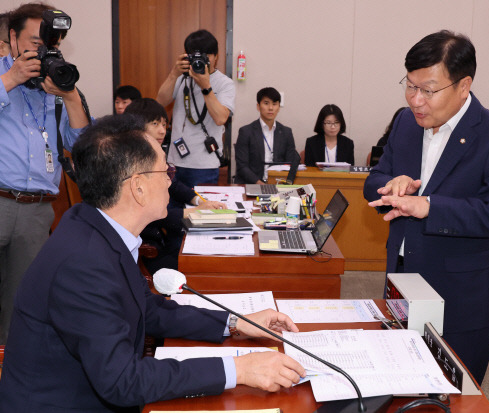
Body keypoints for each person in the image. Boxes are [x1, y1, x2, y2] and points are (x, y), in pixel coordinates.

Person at [0, 115, 306, 412]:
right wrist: (238, 369)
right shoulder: (83, 262)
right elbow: (121, 380)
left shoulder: (97, 227)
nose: (172, 181)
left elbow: (147, 308)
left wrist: (237, 323)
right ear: (138, 187)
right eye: (166, 171)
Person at [363, 30, 489, 384]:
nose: (416, 100)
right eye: (410, 85)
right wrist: (391, 187)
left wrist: (429, 206)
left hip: (461, 296)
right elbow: (376, 177)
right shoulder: (406, 122)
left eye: (428, 89)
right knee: (398, 389)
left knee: (453, 397)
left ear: (464, 85)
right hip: (401, 281)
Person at [0, 2, 89, 345]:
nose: (45, 51)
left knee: (22, 303)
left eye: (52, 44)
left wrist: (70, 98)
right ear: (12, 37)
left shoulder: (56, 83)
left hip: (38, 210)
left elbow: (80, 144)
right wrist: (10, 79)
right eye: (37, 43)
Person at [124, 100, 225, 272]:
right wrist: (197, 212)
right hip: (146, 252)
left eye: (164, 124)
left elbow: (175, 185)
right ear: (135, 126)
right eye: (155, 123)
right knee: (207, 266)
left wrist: (199, 202)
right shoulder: (130, 165)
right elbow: (155, 215)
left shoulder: (150, 157)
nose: (162, 130)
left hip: (160, 238)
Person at [157, 29, 235, 188]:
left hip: (204, 164)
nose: (200, 61)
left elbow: (221, 118)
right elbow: (160, 102)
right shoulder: (181, 77)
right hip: (174, 161)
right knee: (173, 211)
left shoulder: (225, 83)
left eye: (206, 56)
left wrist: (206, 86)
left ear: (216, 56)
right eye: (194, 56)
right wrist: (173, 74)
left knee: (202, 211)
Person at [235, 87, 298, 184]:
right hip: (251, 184)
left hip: (277, 184)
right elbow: (242, 166)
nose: (271, 108)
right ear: (258, 106)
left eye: (274, 104)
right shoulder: (246, 132)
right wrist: (260, 184)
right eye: (266, 103)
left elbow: (289, 163)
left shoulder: (286, 132)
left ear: (279, 108)